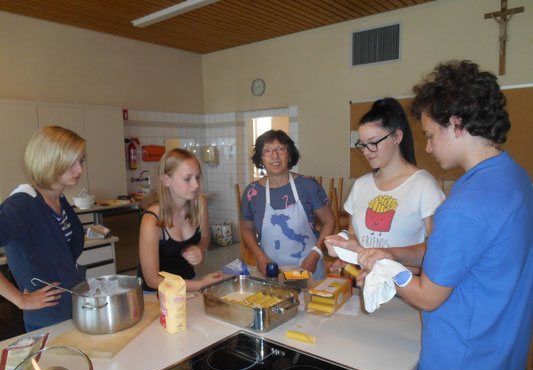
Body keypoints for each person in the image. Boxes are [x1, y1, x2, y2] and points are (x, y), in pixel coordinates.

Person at [326, 60, 533, 370]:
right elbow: (453, 253)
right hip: (500, 358)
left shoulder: (465, 204)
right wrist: (391, 254)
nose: (428, 148)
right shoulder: (515, 179)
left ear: (455, 124)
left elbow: (428, 296)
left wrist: (381, 268)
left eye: (430, 135)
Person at [340, 98, 444, 274]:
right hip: (366, 285)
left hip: (406, 292)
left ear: (397, 137)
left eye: (372, 143)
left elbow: (438, 249)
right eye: (363, 144)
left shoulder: (423, 185)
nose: (366, 151)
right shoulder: (360, 185)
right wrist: (345, 254)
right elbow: (353, 236)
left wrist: (389, 257)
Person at [0, 126, 86, 331]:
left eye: (81, 161)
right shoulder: (22, 204)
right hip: (47, 318)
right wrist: (21, 300)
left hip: (71, 309)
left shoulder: (59, 200)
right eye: (71, 163)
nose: (80, 169)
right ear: (49, 161)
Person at [241, 130, 335, 279]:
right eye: (267, 151)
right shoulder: (252, 192)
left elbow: (329, 221)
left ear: (290, 154)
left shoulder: (308, 186)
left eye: (280, 149)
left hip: (308, 266)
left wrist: (316, 253)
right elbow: (246, 228)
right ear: (260, 158)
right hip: (270, 270)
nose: (275, 156)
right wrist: (258, 255)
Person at [138, 148, 223, 291]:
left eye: (197, 177)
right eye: (187, 179)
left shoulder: (199, 203)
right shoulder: (152, 220)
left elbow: (205, 237)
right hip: (155, 294)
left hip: (189, 283)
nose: (195, 185)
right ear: (166, 180)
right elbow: (152, 280)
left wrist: (199, 249)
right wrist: (201, 285)